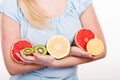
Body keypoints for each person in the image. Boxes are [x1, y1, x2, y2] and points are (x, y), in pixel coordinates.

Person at [0, 0, 106, 80]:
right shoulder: (12, 4)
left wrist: (54, 62)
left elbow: (100, 50)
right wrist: (67, 53)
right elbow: (13, 67)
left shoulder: (78, 1)